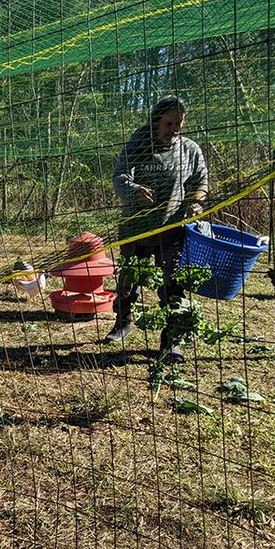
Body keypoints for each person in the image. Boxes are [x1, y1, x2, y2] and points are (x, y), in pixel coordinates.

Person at [104, 96, 208, 363]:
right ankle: (123, 322)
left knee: (171, 284)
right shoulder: (139, 143)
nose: (174, 129)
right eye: (168, 123)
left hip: (171, 228)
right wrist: (134, 190)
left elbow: (200, 182)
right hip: (136, 227)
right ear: (155, 122)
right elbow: (120, 176)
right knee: (129, 278)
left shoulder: (190, 150)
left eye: (178, 124)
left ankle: (172, 340)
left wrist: (195, 202)